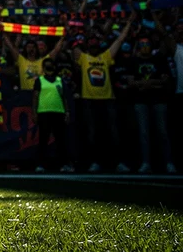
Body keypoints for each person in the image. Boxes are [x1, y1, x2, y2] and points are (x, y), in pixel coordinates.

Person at [73, 13, 135, 173]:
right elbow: (73, 45)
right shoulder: (83, 58)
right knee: (92, 133)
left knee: (113, 132)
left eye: (96, 43)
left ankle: (118, 162)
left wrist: (128, 23)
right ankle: (95, 161)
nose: (93, 46)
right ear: (87, 46)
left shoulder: (106, 57)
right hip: (89, 99)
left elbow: (119, 40)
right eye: (91, 43)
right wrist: (70, 26)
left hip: (108, 99)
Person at [125, 36, 175, 174]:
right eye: (142, 44)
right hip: (140, 101)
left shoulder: (159, 60)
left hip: (159, 100)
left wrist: (146, 84)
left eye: (147, 43)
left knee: (163, 132)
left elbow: (165, 81)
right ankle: (146, 162)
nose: (145, 46)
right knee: (143, 133)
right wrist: (153, 83)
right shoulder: (133, 61)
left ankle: (168, 162)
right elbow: (130, 82)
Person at [31, 58, 72, 173]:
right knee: (43, 140)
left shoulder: (60, 80)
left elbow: (64, 97)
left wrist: (67, 112)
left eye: (50, 65)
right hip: (44, 112)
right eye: (46, 66)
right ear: (43, 68)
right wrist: (34, 112)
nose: (49, 67)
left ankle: (63, 164)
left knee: (60, 140)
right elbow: (35, 97)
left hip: (58, 112)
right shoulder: (39, 80)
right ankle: (40, 164)